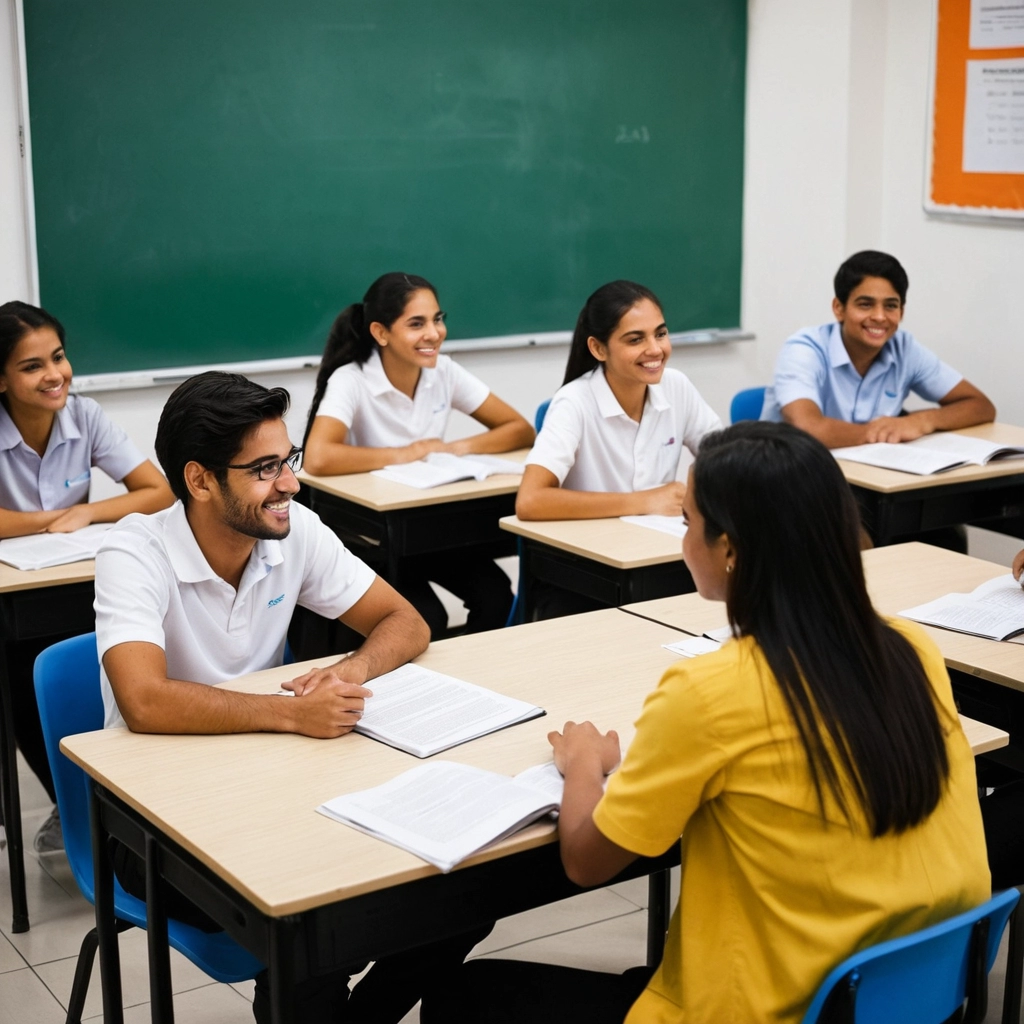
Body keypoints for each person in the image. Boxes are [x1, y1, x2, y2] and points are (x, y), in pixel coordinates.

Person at [423, 421, 990, 1024]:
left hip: (781, 1007)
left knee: (464, 995)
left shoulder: (712, 690)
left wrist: (584, 764)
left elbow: (586, 863)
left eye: (689, 521)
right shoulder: (912, 648)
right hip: (914, 993)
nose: (683, 536)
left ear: (731, 549)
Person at [95, 370, 488, 1023]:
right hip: (150, 821)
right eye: (265, 468)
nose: (291, 484)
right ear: (199, 480)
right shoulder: (134, 552)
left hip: (270, 778)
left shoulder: (292, 529)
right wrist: (289, 712)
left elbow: (407, 622)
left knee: (465, 887)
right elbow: (144, 700)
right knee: (316, 918)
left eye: (290, 460)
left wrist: (351, 672)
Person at [0, 300, 174, 854]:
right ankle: (69, 804)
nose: (55, 375)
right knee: (21, 674)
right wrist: (52, 519)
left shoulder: (85, 415)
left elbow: (158, 489)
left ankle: (116, 796)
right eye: (32, 366)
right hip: (12, 592)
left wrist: (89, 512)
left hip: (72, 575)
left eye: (59, 357)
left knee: (113, 658)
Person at [303, 272, 534, 639]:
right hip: (373, 539)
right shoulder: (352, 378)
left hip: (430, 527)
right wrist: (406, 453)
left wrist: (457, 447)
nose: (434, 333)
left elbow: (519, 428)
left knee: (495, 597)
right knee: (426, 618)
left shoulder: (443, 371)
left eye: (438, 319)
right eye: (416, 324)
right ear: (381, 333)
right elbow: (318, 457)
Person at [514, 280, 721, 617]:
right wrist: (643, 501)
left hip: (658, 556)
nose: (655, 349)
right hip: (585, 572)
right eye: (635, 339)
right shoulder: (574, 402)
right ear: (598, 348)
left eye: (661, 334)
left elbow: (725, 460)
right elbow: (531, 500)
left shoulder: (676, 385)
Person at [761, 250, 995, 445]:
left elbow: (981, 406)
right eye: (865, 304)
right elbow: (808, 428)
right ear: (838, 308)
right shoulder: (804, 349)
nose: (880, 317)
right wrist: (884, 432)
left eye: (891, 306)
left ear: (901, 312)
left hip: (868, 476)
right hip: (790, 481)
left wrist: (919, 422)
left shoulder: (905, 349)